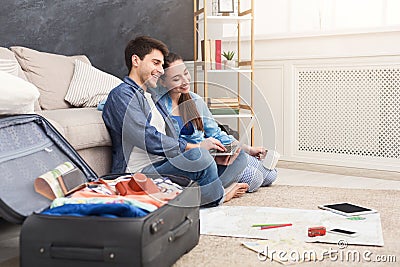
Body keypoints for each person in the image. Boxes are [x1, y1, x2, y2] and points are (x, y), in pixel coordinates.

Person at [102, 36, 248, 207]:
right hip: (138, 174)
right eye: (155, 63)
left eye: (161, 65)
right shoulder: (122, 94)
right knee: (198, 156)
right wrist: (195, 149)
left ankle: (200, 194)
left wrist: (211, 155)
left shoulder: (151, 97)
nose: (161, 70)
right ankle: (218, 195)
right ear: (136, 60)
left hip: (167, 164)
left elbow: (173, 139)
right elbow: (147, 137)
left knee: (239, 157)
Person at [154, 52, 277, 192]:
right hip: (197, 160)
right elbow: (171, 148)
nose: (185, 81)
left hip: (214, 153)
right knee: (255, 179)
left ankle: (225, 178)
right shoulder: (160, 108)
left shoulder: (195, 100)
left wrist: (248, 149)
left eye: (186, 73)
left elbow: (217, 133)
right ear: (163, 82)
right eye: (176, 79)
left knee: (271, 175)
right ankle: (218, 188)